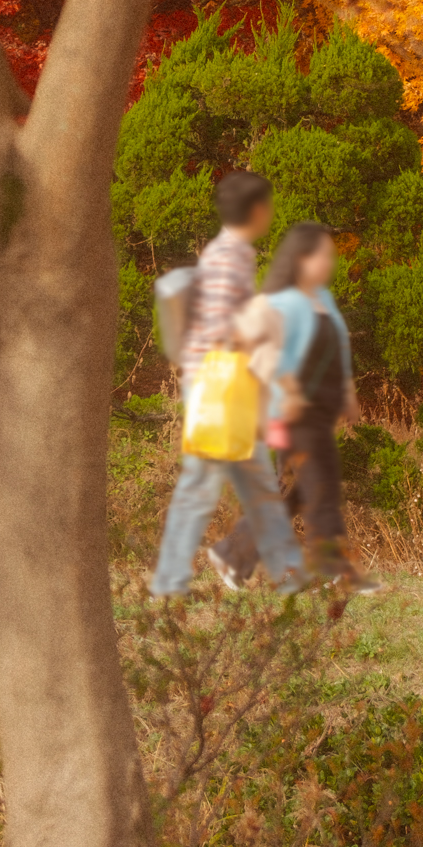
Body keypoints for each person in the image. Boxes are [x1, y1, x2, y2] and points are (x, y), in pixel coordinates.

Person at [149, 171, 305, 598]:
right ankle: (180, 577)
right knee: (211, 482)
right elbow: (225, 327)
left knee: (241, 478)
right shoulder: (232, 256)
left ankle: (276, 569)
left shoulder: (223, 253)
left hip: (215, 380)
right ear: (256, 211)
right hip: (220, 382)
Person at [226, 219, 380, 595]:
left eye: (330, 254)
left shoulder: (322, 299)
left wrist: (347, 391)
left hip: (317, 413)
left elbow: (338, 346)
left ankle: (235, 555)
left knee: (300, 493)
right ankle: (334, 571)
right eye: (321, 255)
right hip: (291, 413)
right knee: (319, 489)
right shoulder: (283, 301)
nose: (329, 262)